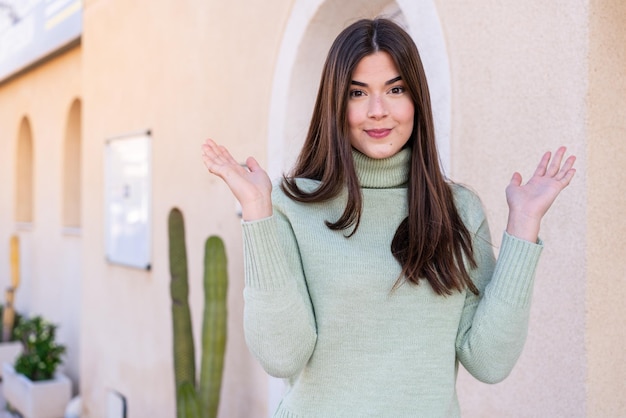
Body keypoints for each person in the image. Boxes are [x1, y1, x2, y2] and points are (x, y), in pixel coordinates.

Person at [201, 18, 576, 418]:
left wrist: (523, 224)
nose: (378, 111)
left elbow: (489, 361)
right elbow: (281, 355)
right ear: (336, 105)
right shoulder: (292, 207)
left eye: (395, 90)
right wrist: (258, 213)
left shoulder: (458, 211)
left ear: (417, 100)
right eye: (357, 93)